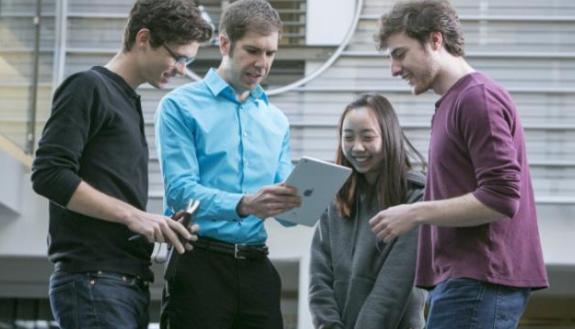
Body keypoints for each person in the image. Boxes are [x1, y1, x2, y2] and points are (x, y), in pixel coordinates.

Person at [30, 1, 212, 328]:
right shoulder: (87, 86)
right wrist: (134, 216)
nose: (182, 69)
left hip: (122, 285)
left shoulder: (128, 100)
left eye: (188, 60)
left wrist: (161, 225)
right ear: (144, 39)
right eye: (178, 56)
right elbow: (48, 174)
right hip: (95, 283)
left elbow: (110, 193)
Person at [369, 1, 549, 328]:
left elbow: (501, 197)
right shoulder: (453, 104)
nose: (394, 69)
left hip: (479, 280)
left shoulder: (477, 98)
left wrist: (414, 212)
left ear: (435, 40)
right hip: (466, 282)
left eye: (400, 54)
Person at [154, 0, 301, 328]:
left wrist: (307, 199)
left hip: (257, 267)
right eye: (253, 50)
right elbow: (180, 191)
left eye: (270, 53)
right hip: (199, 264)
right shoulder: (180, 106)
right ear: (224, 43)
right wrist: (246, 204)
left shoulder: (276, 120)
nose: (262, 63)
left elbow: (287, 214)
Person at [309, 94, 427, 329]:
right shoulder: (335, 199)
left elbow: (393, 287)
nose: (357, 147)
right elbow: (319, 281)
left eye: (368, 137)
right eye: (348, 137)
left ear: (389, 137)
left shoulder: (416, 199)